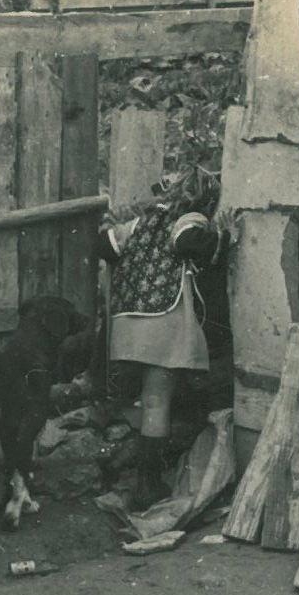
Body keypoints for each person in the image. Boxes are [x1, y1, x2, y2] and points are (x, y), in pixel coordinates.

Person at [96, 167, 229, 506]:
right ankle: (147, 485)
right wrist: (222, 236)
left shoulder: (140, 222)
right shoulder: (189, 218)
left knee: (145, 399)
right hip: (164, 322)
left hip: (128, 322)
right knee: (158, 402)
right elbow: (187, 241)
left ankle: (138, 475)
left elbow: (106, 246)